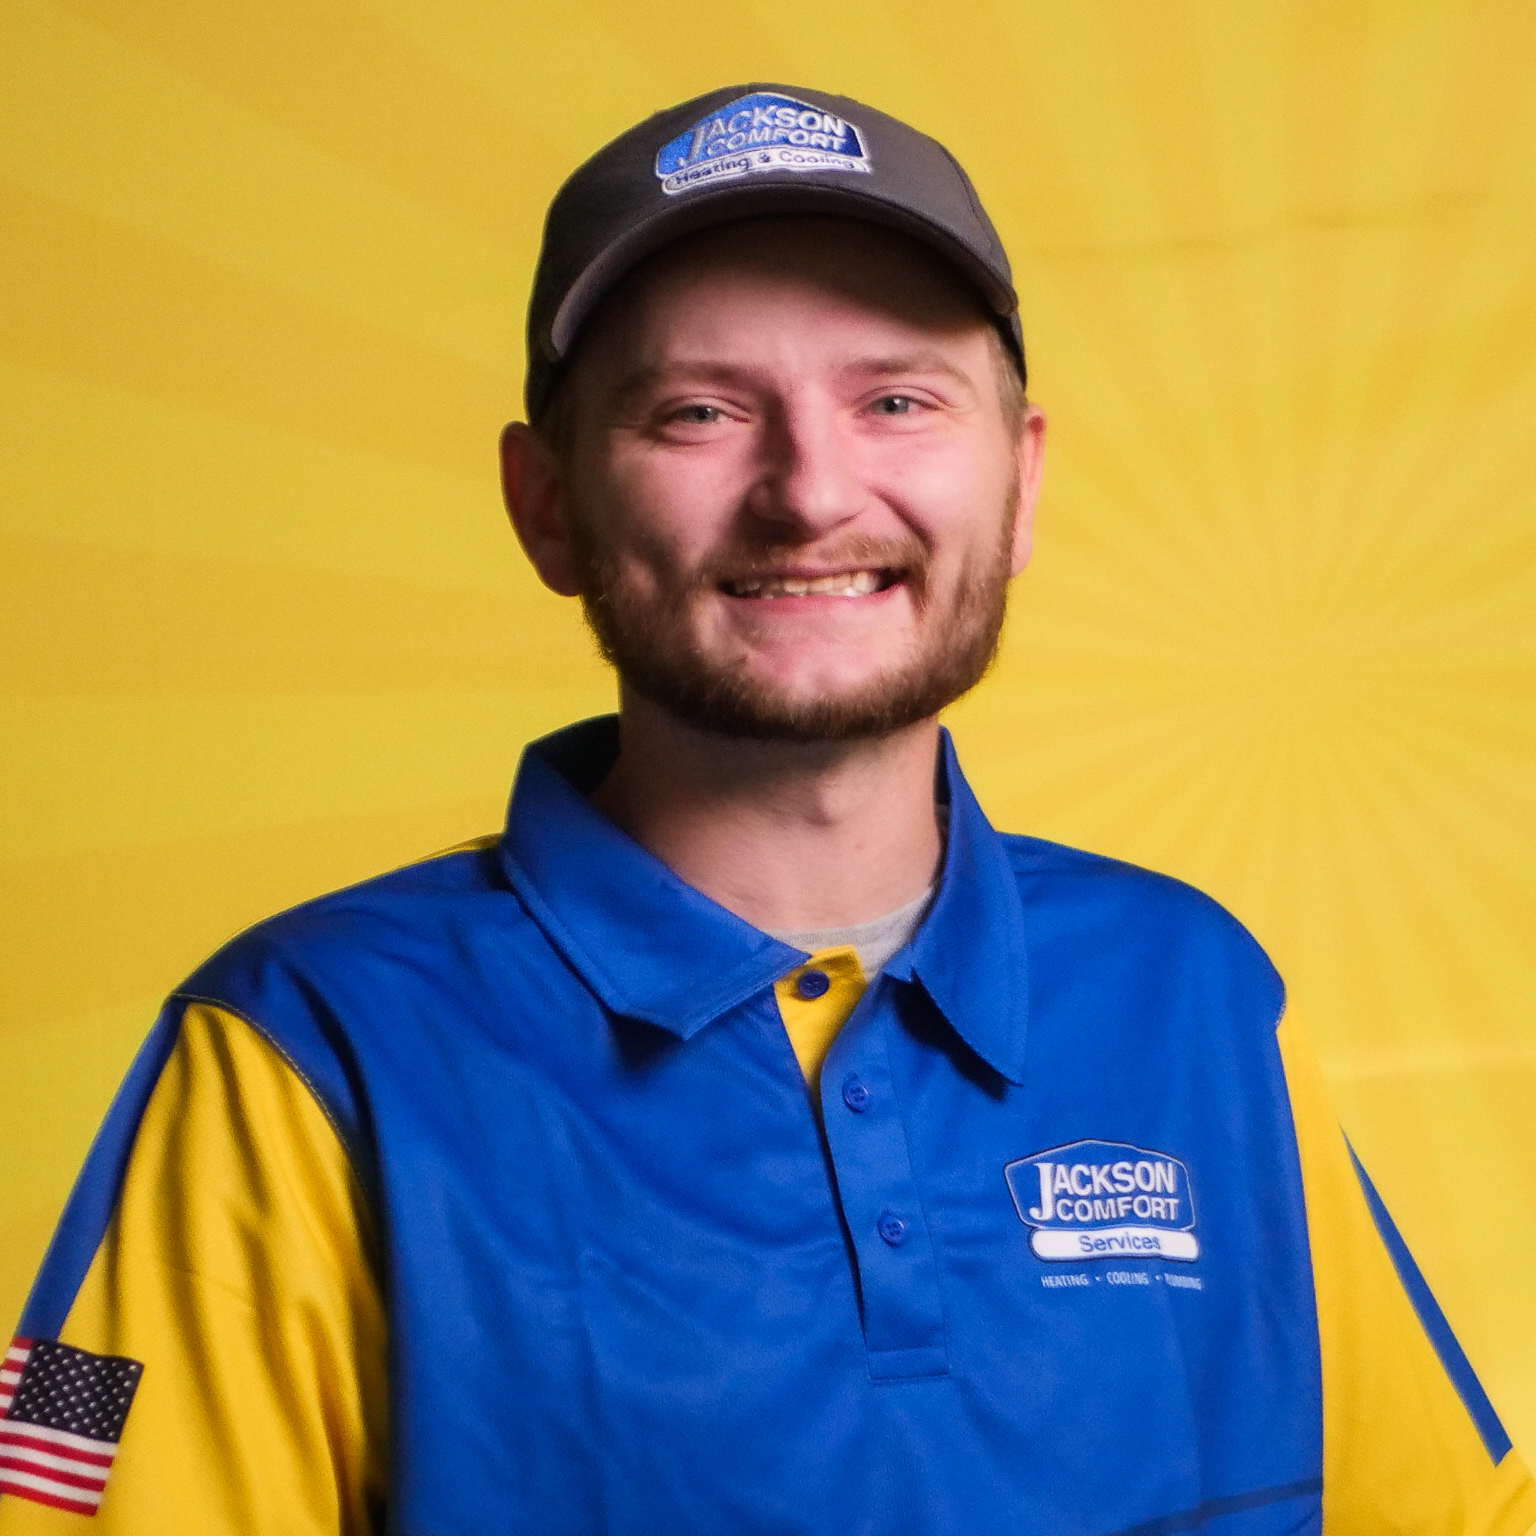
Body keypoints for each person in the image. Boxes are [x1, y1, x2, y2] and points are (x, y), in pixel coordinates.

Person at [0, 83, 1530, 1536]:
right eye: (699, 414)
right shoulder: (296, 1043)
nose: (811, 491)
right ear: (547, 505)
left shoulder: (1197, 993)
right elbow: (59, 1465)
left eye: (897, 399)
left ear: (1024, 478)